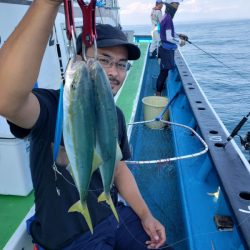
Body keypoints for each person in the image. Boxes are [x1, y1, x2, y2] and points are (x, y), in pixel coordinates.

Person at [0, 1, 167, 249]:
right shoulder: (54, 107)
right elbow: (7, 100)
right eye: (104, 60)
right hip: (69, 237)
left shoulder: (115, 116)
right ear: (78, 60)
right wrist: (46, 4)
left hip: (115, 217)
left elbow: (118, 169)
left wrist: (145, 214)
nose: (114, 72)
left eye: (121, 65)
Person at [156, 1, 188, 96]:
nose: (175, 11)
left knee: (163, 72)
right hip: (166, 50)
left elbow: (167, 33)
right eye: (175, 9)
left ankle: (159, 90)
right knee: (163, 73)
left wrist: (178, 35)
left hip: (162, 47)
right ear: (171, 9)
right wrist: (180, 42)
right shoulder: (169, 19)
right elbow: (169, 38)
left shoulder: (164, 17)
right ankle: (158, 94)